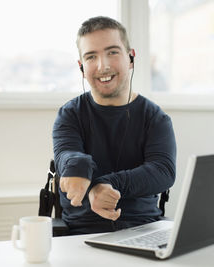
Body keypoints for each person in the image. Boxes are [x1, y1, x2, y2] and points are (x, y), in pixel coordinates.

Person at [52, 16, 176, 235]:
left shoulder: (155, 117)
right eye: (91, 56)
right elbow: (66, 155)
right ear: (82, 67)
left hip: (143, 229)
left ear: (131, 58)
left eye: (112, 52)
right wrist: (78, 166)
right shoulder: (69, 114)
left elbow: (163, 171)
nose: (103, 65)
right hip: (81, 233)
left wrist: (105, 184)